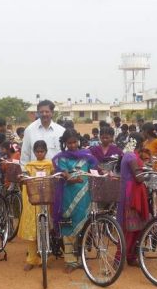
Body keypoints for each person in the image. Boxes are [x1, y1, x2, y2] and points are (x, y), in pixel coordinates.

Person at [53, 129, 97, 273]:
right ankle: (70, 261)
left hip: (85, 195)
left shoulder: (87, 155)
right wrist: (70, 178)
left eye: (74, 142)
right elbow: (64, 174)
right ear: (65, 143)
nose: (72, 145)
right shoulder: (62, 158)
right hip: (68, 196)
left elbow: (94, 170)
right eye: (69, 143)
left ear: (78, 141)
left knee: (84, 227)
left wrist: (103, 173)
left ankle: (82, 258)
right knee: (69, 227)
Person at [17, 140, 54, 271]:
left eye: (42, 151)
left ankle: (45, 258)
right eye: (37, 151)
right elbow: (24, 178)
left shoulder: (50, 165)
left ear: (46, 151)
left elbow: (54, 177)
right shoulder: (29, 166)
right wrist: (23, 177)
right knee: (32, 230)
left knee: (45, 230)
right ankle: (31, 259)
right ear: (34, 152)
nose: (40, 153)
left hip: (46, 201)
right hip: (32, 202)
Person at [117, 134, 149, 266]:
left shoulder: (130, 154)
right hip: (132, 194)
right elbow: (138, 177)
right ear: (140, 143)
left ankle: (130, 256)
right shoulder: (131, 156)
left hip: (134, 192)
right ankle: (120, 258)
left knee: (135, 227)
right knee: (130, 228)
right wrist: (150, 173)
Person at [20, 100, 65, 165]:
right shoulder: (29, 130)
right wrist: (24, 171)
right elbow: (25, 154)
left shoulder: (61, 131)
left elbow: (65, 154)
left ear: (52, 113)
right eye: (41, 112)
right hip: (34, 173)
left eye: (47, 112)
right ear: (37, 113)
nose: (44, 114)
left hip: (55, 173)